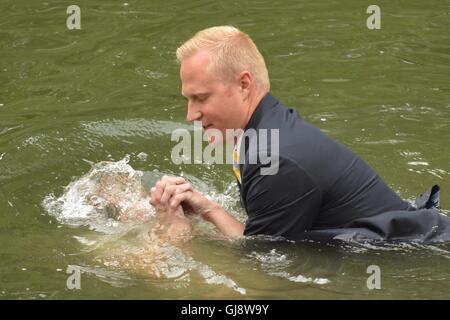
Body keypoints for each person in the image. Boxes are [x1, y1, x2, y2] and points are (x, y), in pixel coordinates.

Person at [150, 26, 450, 244]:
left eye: (201, 98)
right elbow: (262, 243)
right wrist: (207, 207)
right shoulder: (266, 129)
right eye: (188, 100)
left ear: (244, 85)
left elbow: (259, 269)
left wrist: (176, 231)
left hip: (425, 256)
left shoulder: (278, 159)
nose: (191, 115)